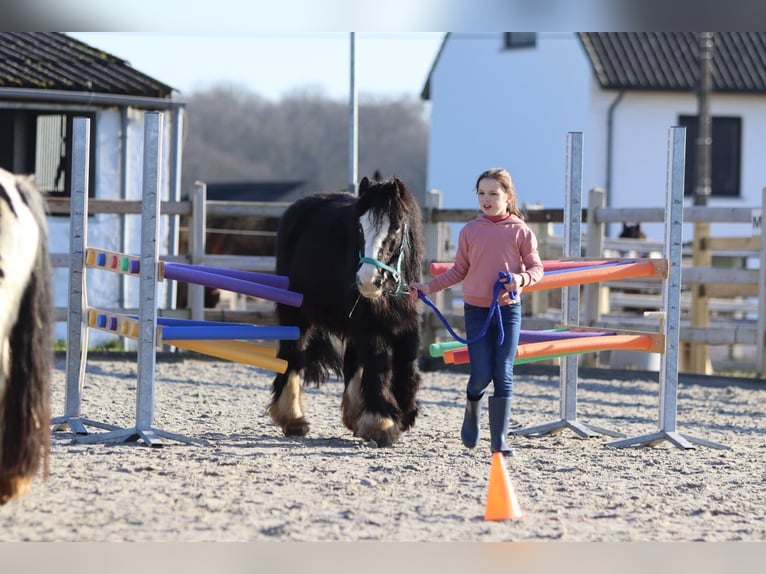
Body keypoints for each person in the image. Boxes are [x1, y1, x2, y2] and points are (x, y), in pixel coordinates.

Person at [409, 168, 544, 456]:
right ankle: (472, 407)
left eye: (493, 193)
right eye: (481, 193)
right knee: (481, 374)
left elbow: (536, 269)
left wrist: (518, 280)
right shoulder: (470, 231)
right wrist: (428, 288)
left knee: (504, 372)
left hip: (508, 310)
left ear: (508, 197)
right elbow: (459, 270)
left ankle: (500, 441)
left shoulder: (521, 231)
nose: (486, 198)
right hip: (476, 311)